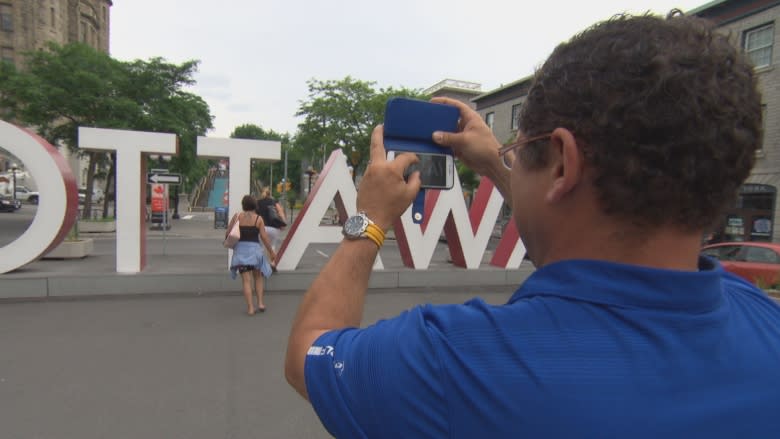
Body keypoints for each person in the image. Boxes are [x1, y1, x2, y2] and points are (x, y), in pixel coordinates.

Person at [284, 12, 780, 438]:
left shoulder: (455, 363)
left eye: (520, 150)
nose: (513, 164)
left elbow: (310, 350)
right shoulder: (765, 325)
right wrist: (500, 165)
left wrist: (368, 219)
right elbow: (569, 232)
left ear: (562, 163)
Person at [226, 195, 276, 315]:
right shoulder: (258, 219)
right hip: (255, 253)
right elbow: (264, 238)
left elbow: (228, 232)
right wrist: (271, 252)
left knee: (246, 281)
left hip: (241, 252)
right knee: (258, 278)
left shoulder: (237, 217)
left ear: (243, 205)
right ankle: (260, 303)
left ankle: (250, 308)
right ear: (255, 205)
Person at [256, 187, 287, 252]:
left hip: (261, 229)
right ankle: (273, 261)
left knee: (260, 247)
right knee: (272, 245)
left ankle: (260, 261)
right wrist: (283, 223)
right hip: (274, 228)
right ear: (270, 194)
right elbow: (280, 212)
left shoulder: (257, 202)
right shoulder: (274, 202)